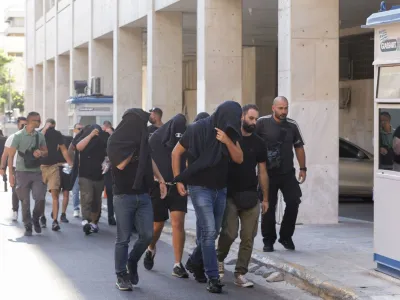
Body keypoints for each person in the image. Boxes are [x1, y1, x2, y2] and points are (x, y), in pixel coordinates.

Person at [172, 101, 243, 294]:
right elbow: (176, 152)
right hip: (199, 188)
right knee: (209, 232)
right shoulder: (196, 129)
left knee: (212, 232)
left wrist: (227, 141)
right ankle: (213, 278)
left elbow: (239, 158)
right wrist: (178, 180)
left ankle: (195, 262)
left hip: (220, 189)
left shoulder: (229, 132)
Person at [107, 108, 167, 292]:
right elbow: (120, 164)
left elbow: (149, 160)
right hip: (123, 195)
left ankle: (132, 260)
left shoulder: (143, 141)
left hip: (143, 193)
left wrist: (161, 179)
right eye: (141, 124)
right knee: (123, 238)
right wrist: (136, 149)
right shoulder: (115, 140)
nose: (144, 128)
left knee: (147, 235)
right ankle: (121, 275)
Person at [216, 104, 269, 287]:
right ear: (242, 117)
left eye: (256, 119)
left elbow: (262, 172)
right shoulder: (229, 138)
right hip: (230, 195)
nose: (254, 122)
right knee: (229, 233)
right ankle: (219, 259)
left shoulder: (259, 143)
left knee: (248, 237)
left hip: (251, 196)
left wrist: (266, 198)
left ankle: (240, 273)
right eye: (251, 118)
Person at [256, 96, 306, 252]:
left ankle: (285, 236)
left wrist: (303, 168)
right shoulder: (262, 123)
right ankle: (268, 240)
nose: (284, 111)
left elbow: (298, 147)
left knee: (294, 201)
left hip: (287, 173)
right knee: (268, 206)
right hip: (267, 174)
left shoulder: (292, 125)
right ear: (273, 108)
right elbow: (252, 145)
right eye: (280, 108)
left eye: (286, 108)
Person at [145, 114, 188, 278]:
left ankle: (177, 264)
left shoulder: (186, 135)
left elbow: (188, 158)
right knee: (158, 225)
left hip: (178, 185)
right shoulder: (156, 138)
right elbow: (148, 160)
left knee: (178, 223)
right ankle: (151, 248)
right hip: (159, 186)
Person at [8, 112, 48, 236]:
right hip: (21, 172)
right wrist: (10, 175)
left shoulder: (40, 136)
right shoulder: (18, 136)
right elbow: (11, 156)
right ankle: (28, 224)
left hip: (36, 172)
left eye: (40, 120)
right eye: (37, 120)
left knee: (40, 197)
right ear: (30, 121)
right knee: (25, 201)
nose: (39, 122)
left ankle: (35, 218)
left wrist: (41, 153)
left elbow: (46, 151)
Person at [72, 124, 109, 235]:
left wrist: (107, 162)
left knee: (96, 200)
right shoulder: (83, 137)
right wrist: (90, 135)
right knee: (87, 196)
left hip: (99, 174)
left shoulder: (103, 138)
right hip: (85, 174)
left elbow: (110, 151)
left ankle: (94, 222)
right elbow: (78, 147)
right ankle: (86, 220)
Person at [40, 119, 73, 231]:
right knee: (41, 195)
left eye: (52, 127)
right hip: (41, 167)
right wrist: (44, 129)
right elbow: (37, 142)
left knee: (55, 194)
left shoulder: (57, 134)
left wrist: (70, 163)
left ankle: (55, 220)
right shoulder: (40, 133)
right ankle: (42, 216)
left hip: (53, 167)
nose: (51, 129)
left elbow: (63, 150)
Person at [0, 117, 27, 221]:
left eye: (26, 124)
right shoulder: (12, 138)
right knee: (15, 190)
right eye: (22, 125)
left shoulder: (34, 137)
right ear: (18, 125)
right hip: (16, 168)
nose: (24, 127)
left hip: (30, 169)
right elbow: (5, 155)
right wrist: (2, 167)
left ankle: (26, 213)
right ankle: (15, 210)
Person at [101, 120, 116, 225]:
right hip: (102, 166)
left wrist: (111, 133)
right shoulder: (101, 135)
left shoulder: (115, 134)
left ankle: (111, 216)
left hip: (112, 167)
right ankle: (98, 214)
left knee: (111, 192)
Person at [70, 123, 83, 218]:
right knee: (75, 190)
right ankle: (76, 209)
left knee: (86, 192)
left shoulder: (87, 140)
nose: (81, 130)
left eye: (82, 129)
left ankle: (86, 210)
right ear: (74, 130)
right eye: (79, 129)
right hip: (76, 170)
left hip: (86, 170)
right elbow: (69, 151)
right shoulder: (72, 142)